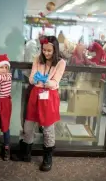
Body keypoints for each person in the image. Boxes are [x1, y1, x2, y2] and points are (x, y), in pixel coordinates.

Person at [11, 36, 66, 172]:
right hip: (35, 94)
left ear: (55, 50)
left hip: (49, 97)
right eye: (44, 50)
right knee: (28, 125)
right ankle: (26, 154)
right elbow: (31, 79)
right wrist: (40, 80)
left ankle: (48, 158)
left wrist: (44, 81)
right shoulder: (37, 58)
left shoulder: (61, 63)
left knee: (48, 128)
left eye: (49, 51)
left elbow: (55, 83)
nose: (46, 53)